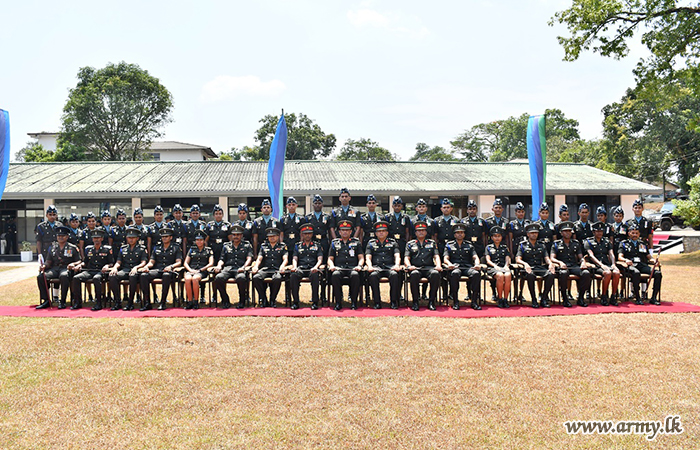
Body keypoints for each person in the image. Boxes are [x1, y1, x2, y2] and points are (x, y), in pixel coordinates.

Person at [36, 225, 81, 310]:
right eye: (58, 236)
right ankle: (46, 300)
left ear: (67, 237)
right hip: (55, 268)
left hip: (66, 268)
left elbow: (79, 261)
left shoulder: (73, 247)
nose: (60, 237)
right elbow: (48, 261)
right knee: (41, 276)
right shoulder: (52, 247)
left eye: (62, 236)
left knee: (64, 276)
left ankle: (62, 300)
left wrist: (73, 264)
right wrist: (44, 266)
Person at [139, 227, 183, 310]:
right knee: (143, 275)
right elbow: (152, 262)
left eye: (166, 236)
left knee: (166, 275)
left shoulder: (176, 247)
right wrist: (146, 266)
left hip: (170, 271)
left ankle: (163, 302)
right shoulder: (157, 247)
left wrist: (171, 266)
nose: (164, 238)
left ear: (171, 237)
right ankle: (147, 302)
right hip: (158, 269)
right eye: (163, 237)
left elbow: (179, 262)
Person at [72, 227, 114, 311]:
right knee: (76, 278)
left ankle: (98, 302)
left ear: (102, 239)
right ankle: (78, 302)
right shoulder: (89, 249)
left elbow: (111, 263)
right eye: (94, 238)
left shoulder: (107, 249)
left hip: (101, 272)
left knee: (96, 278)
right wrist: (80, 265)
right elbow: (85, 262)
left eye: (98, 238)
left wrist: (107, 266)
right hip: (90, 271)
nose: (96, 240)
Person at [618, 223, 662, 305]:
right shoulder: (624, 243)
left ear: (639, 234)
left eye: (636, 233)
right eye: (633, 233)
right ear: (629, 233)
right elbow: (620, 257)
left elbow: (648, 256)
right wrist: (625, 260)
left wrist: (654, 261)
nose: (634, 235)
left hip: (641, 264)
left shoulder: (642, 244)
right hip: (630, 265)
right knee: (636, 273)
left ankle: (653, 297)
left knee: (657, 273)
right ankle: (638, 297)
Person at [550, 221, 591, 307]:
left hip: (573, 266)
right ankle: (565, 298)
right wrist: (560, 263)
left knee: (586, 273)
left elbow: (580, 256)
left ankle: (580, 298)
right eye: (565, 231)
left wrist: (583, 262)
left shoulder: (575, 243)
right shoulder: (556, 244)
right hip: (563, 267)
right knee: (564, 273)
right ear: (561, 233)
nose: (568, 233)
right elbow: (552, 258)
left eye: (569, 231)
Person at [212, 225, 254, 309]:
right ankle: (225, 300)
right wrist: (219, 265)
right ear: (231, 236)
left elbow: (249, 258)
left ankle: (242, 300)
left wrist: (244, 267)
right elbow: (222, 259)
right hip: (228, 268)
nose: (236, 237)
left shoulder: (247, 245)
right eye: (234, 235)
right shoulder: (226, 245)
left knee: (241, 278)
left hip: (240, 268)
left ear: (241, 236)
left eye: (238, 235)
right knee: (218, 278)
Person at [516, 222, 556, 308]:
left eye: (536, 233)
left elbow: (546, 257)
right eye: (532, 233)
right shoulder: (523, 245)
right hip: (528, 268)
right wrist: (525, 264)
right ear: (528, 234)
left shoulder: (541, 245)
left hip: (539, 267)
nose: (534, 235)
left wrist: (550, 264)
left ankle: (544, 298)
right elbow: (518, 259)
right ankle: (534, 299)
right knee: (530, 276)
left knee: (550, 274)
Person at [405, 220, 442, 311]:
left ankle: (431, 301)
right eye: (419, 230)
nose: (421, 232)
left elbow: (436, 256)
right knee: (414, 274)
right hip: (416, 268)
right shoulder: (410, 244)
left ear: (426, 232)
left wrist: (438, 265)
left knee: (435, 274)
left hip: (429, 268)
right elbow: (406, 258)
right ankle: (415, 301)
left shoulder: (432, 243)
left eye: (423, 230)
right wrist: (409, 266)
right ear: (415, 232)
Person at [108, 226, 148, 311]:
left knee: (132, 277)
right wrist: (114, 268)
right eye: (129, 237)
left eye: (133, 238)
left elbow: (144, 262)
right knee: (112, 277)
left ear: (137, 238)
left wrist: (136, 268)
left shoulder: (142, 248)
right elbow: (119, 261)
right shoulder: (123, 248)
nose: (131, 240)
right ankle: (117, 302)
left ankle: (130, 302)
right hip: (125, 270)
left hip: (136, 270)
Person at [443, 222, 481, 310]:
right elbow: (445, 258)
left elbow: (475, 257)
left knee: (476, 274)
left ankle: (474, 301)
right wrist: (449, 264)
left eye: (462, 233)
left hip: (467, 267)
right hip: (455, 267)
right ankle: (456, 301)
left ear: (464, 234)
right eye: (458, 233)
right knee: (455, 274)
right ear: (454, 234)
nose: (460, 234)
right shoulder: (449, 245)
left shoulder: (469, 244)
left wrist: (477, 264)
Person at [328, 219, 364, 310]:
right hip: (339, 268)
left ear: (351, 231)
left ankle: (354, 302)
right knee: (335, 275)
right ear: (339, 232)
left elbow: (361, 257)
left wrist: (359, 266)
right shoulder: (334, 243)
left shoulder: (356, 242)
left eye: (347, 230)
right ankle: (338, 302)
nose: (345, 232)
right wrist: (332, 266)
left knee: (355, 275)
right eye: (343, 230)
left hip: (353, 268)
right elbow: (330, 258)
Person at [365, 220, 401, 309]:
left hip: (390, 267)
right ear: (376, 233)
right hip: (376, 267)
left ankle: (393, 301)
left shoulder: (393, 242)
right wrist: (369, 266)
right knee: (373, 276)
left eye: (383, 231)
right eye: (379, 231)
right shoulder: (371, 243)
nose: (381, 233)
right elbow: (368, 257)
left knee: (394, 275)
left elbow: (397, 255)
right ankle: (377, 302)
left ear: (387, 232)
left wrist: (397, 265)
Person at [585, 222, 621, 306]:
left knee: (617, 272)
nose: (599, 233)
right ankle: (604, 296)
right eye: (597, 231)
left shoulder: (606, 241)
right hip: (595, 266)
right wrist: (601, 265)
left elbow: (611, 253)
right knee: (607, 273)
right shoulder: (588, 242)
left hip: (607, 264)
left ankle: (613, 296)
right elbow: (591, 256)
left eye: (601, 231)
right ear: (593, 232)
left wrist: (613, 264)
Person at [289, 223, 323, 310]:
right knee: (293, 275)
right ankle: (295, 302)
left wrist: (316, 267)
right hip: (301, 268)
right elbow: (295, 258)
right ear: (302, 234)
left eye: (309, 233)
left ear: (312, 234)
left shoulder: (317, 245)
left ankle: (315, 302)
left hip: (312, 268)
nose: (307, 235)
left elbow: (320, 259)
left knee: (315, 276)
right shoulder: (297, 245)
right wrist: (295, 267)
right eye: (305, 233)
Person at [252, 227, 288, 308]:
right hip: (266, 269)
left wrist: (283, 266)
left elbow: (285, 258)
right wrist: (256, 266)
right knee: (256, 277)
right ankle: (263, 299)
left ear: (278, 236)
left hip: (276, 269)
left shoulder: (282, 246)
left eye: (274, 236)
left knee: (277, 278)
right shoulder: (263, 246)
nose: (272, 238)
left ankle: (272, 299)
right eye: (270, 236)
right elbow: (259, 258)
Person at [206, 204, 231, 305]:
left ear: (223, 214)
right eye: (216, 214)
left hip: (223, 252)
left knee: (221, 275)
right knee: (213, 274)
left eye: (220, 213)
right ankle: (214, 295)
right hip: (213, 252)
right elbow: (206, 241)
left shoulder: (227, 225)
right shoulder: (209, 225)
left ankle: (222, 295)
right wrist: (207, 252)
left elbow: (230, 241)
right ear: (213, 215)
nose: (218, 215)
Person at [182, 230, 214, 310]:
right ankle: (190, 302)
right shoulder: (192, 249)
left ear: (204, 241)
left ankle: (196, 301)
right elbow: (185, 263)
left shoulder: (208, 250)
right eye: (197, 240)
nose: (199, 242)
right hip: (191, 270)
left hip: (202, 271)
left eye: (201, 240)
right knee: (188, 278)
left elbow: (211, 263)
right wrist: (190, 270)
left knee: (195, 279)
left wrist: (201, 270)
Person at [485, 226, 512, 309]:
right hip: (493, 268)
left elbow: (508, 258)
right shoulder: (488, 247)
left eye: (499, 236)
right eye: (495, 236)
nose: (497, 238)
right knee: (500, 275)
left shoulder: (504, 247)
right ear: (492, 237)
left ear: (501, 237)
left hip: (503, 267)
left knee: (507, 275)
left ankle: (505, 299)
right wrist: (495, 266)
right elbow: (488, 260)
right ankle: (500, 298)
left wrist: (506, 266)